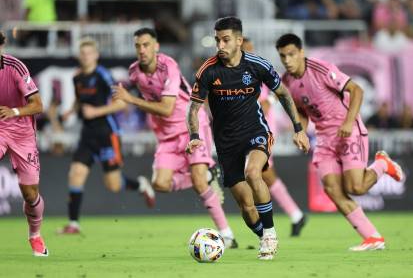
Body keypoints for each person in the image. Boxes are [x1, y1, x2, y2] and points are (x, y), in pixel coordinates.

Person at [186, 17, 310, 260]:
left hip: (255, 131)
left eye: (226, 40)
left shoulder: (256, 65)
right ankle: (263, 234)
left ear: (239, 41)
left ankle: (271, 234)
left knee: (254, 173)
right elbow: (193, 108)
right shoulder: (208, 70)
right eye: (217, 40)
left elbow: (283, 93)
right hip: (226, 142)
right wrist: (194, 135)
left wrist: (298, 128)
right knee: (246, 206)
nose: (220, 45)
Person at [275, 33, 404, 251]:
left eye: (291, 54)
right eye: (283, 56)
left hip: (348, 130)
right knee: (332, 189)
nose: (287, 60)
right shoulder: (286, 81)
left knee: (357, 187)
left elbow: (357, 90)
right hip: (325, 139)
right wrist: (301, 131)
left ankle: (383, 164)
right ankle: (372, 237)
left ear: (301, 53)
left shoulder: (321, 68)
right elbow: (300, 109)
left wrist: (348, 121)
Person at [112, 28, 238, 248]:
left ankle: (227, 234)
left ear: (156, 46)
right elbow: (132, 97)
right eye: (138, 46)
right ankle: (205, 177)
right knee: (160, 183)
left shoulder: (168, 65)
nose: (142, 50)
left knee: (199, 182)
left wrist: (130, 99)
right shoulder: (133, 72)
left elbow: (167, 108)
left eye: (146, 44)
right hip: (167, 137)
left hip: (191, 127)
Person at [58, 38, 155, 234]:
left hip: (107, 134)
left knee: (113, 184)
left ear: (96, 55)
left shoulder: (104, 75)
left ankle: (140, 184)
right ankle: (73, 224)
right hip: (87, 135)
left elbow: (121, 104)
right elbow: (80, 99)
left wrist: (96, 111)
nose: (85, 56)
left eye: (89, 53)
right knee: (75, 174)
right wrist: (70, 110)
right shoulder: (77, 78)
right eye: (82, 53)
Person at [241, 37, 306, 237]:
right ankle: (296, 215)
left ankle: (266, 223)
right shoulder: (233, 72)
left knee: (256, 172)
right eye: (246, 49)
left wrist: (268, 99)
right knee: (266, 175)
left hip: (263, 128)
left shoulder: (259, 68)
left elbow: (278, 88)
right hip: (243, 129)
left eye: (251, 48)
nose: (250, 52)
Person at [0, 30, 48, 256]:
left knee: (29, 193)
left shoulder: (16, 67)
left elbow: (38, 105)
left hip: (21, 130)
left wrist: (14, 111)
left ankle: (35, 235)